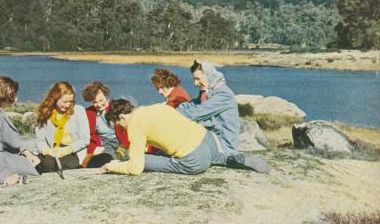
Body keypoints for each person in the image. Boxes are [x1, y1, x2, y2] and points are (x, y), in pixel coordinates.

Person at [177, 60, 270, 173]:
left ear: (208, 75)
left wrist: (171, 114)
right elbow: (191, 105)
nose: (195, 83)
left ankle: (230, 159)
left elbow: (195, 113)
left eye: (198, 79)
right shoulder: (208, 92)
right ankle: (229, 160)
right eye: (194, 79)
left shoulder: (223, 95)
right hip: (212, 140)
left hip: (223, 145)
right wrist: (176, 109)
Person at [97, 99, 227, 176]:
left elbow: (135, 168)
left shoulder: (135, 125)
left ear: (122, 117)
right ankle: (230, 159)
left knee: (136, 158)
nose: (121, 128)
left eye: (119, 125)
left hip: (196, 161)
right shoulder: (155, 107)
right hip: (211, 144)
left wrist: (112, 166)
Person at [35, 81, 91, 174]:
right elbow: (40, 140)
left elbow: (85, 139)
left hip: (72, 150)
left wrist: (66, 150)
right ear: (55, 98)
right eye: (64, 102)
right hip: (52, 149)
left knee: (68, 164)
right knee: (46, 162)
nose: (68, 105)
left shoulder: (79, 111)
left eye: (70, 101)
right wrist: (47, 150)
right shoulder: (45, 112)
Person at [81, 81, 129, 168]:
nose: (99, 105)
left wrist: (123, 145)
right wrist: (96, 147)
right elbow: (91, 134)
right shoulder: (89, 112)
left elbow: (126, 128)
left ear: (105, 95)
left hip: (121, 140)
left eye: (101, 100)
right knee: (106, 159)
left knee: (129, 156)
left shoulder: (116, 107)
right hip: (105, 143)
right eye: (95, 102)